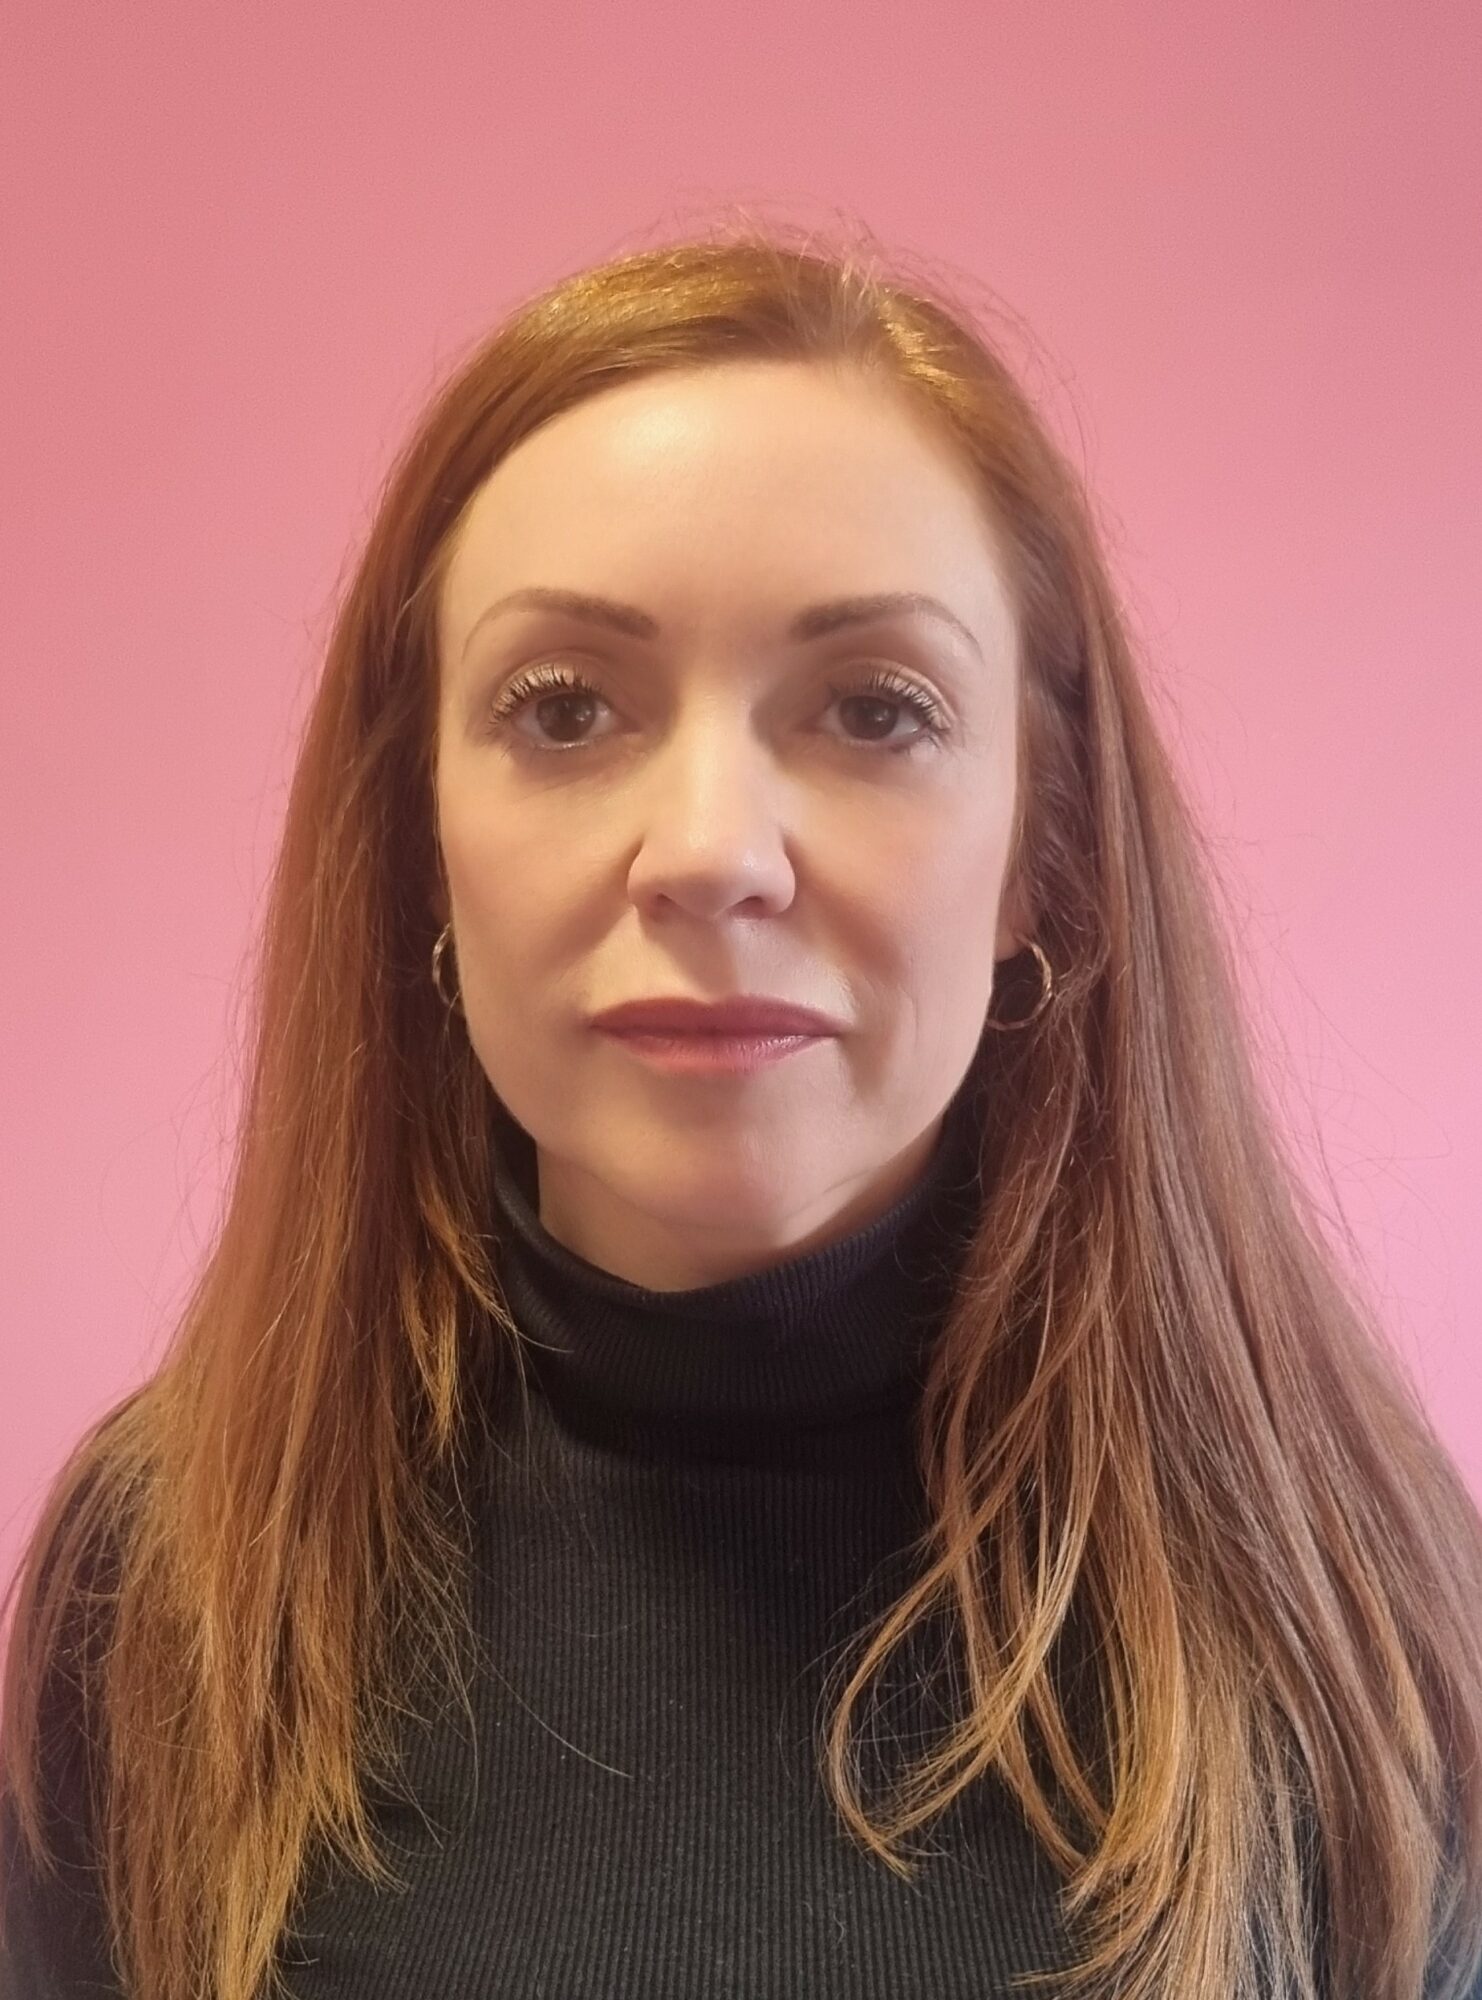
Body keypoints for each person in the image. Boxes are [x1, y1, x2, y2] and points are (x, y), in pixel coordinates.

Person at [3, 225, 1480, 2000]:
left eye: (874, 709)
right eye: (564, 709)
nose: (709, 852)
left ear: (1043, 848)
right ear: (418, 847)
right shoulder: (168, 1578)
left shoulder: (1350, 1603)